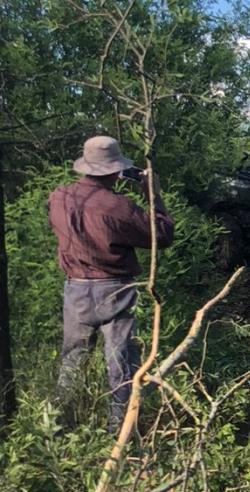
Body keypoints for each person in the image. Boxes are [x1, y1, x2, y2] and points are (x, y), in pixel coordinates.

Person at [48, 136, 175, 431]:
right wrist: (152, 194)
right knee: (121, 363)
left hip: (76, 289)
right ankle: (120, 430)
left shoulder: (58, 197)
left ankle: (55, 425)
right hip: (114, 290)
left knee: (72, 360)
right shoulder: (119, 207)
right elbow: (163, 236)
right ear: (116, 171)